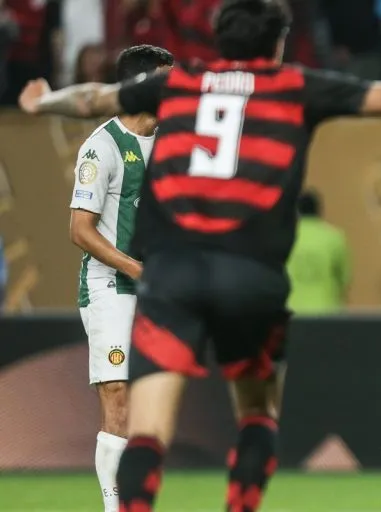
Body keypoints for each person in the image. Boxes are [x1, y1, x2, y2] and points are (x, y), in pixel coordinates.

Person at [18, 0, 381, 509]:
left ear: (220, 40)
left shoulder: (181, 84)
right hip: (249, 272)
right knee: (256, 413)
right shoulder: (294, 85)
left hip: (172, 275)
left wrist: (44, 101)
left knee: (148, 428)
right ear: (279, 44)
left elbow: (93, 99)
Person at [67, 44, 173, 512]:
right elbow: (79, 229)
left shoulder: (175, 144)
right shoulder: (103, 146)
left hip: (156, 294)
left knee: (150, 414)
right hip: (112, 288)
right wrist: (136, 269)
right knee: (119, 400)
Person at [285, 190, 352, 314]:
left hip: (293, 313)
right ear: (319, 210)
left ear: (297, 211)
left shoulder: (286, 237)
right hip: (327, 313)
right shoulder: (334, 237)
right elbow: (344, 279)